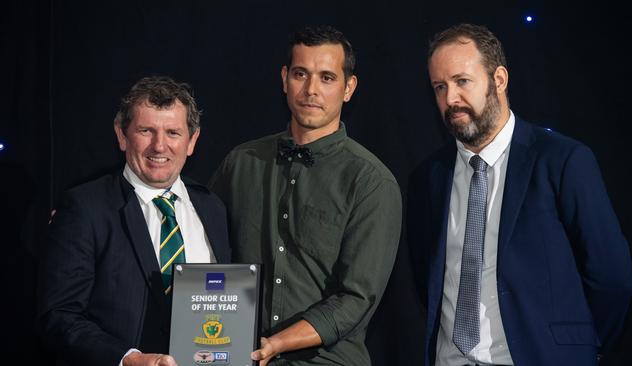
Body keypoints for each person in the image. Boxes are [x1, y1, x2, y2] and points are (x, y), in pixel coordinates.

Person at [407, 23, 632, 365]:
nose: (450, 98)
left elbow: (612, 277)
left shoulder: (562, 160)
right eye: (439, 87)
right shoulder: (428, 178)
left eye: (461, 81)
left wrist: (577, 346)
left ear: (499, 79)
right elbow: (427, 278)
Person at [210, 25, 402, 365]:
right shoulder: (240, 164)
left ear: (348, 88)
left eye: (327, 78)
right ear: (285, 79)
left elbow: (356, 297)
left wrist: (278, 342)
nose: (311, 89)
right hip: (236, 354)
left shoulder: (371, 182)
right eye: (301, 74)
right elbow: (207, 256)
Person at [37, 76, 231, 366]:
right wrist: (126, 359)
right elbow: (59, 315)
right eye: (146, 130)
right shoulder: (85, 207)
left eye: (173, 133)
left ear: (192, 141)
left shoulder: (212, 207)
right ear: (121, 135)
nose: (159, 146)